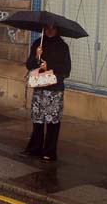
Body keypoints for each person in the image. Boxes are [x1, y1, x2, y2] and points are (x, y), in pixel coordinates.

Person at [21, 23, 71, 162]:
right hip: (40, 88)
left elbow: (67, 69)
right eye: (47, 28)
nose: (49, 31)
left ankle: (49, 152)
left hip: (54, 89)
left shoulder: (62, 46)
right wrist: (37, 56)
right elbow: (29, 65)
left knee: (52, 121)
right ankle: (34, 148)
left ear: (57, 29)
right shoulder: (38, 43)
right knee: (37, 119)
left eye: (53, 28)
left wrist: (50, 67)